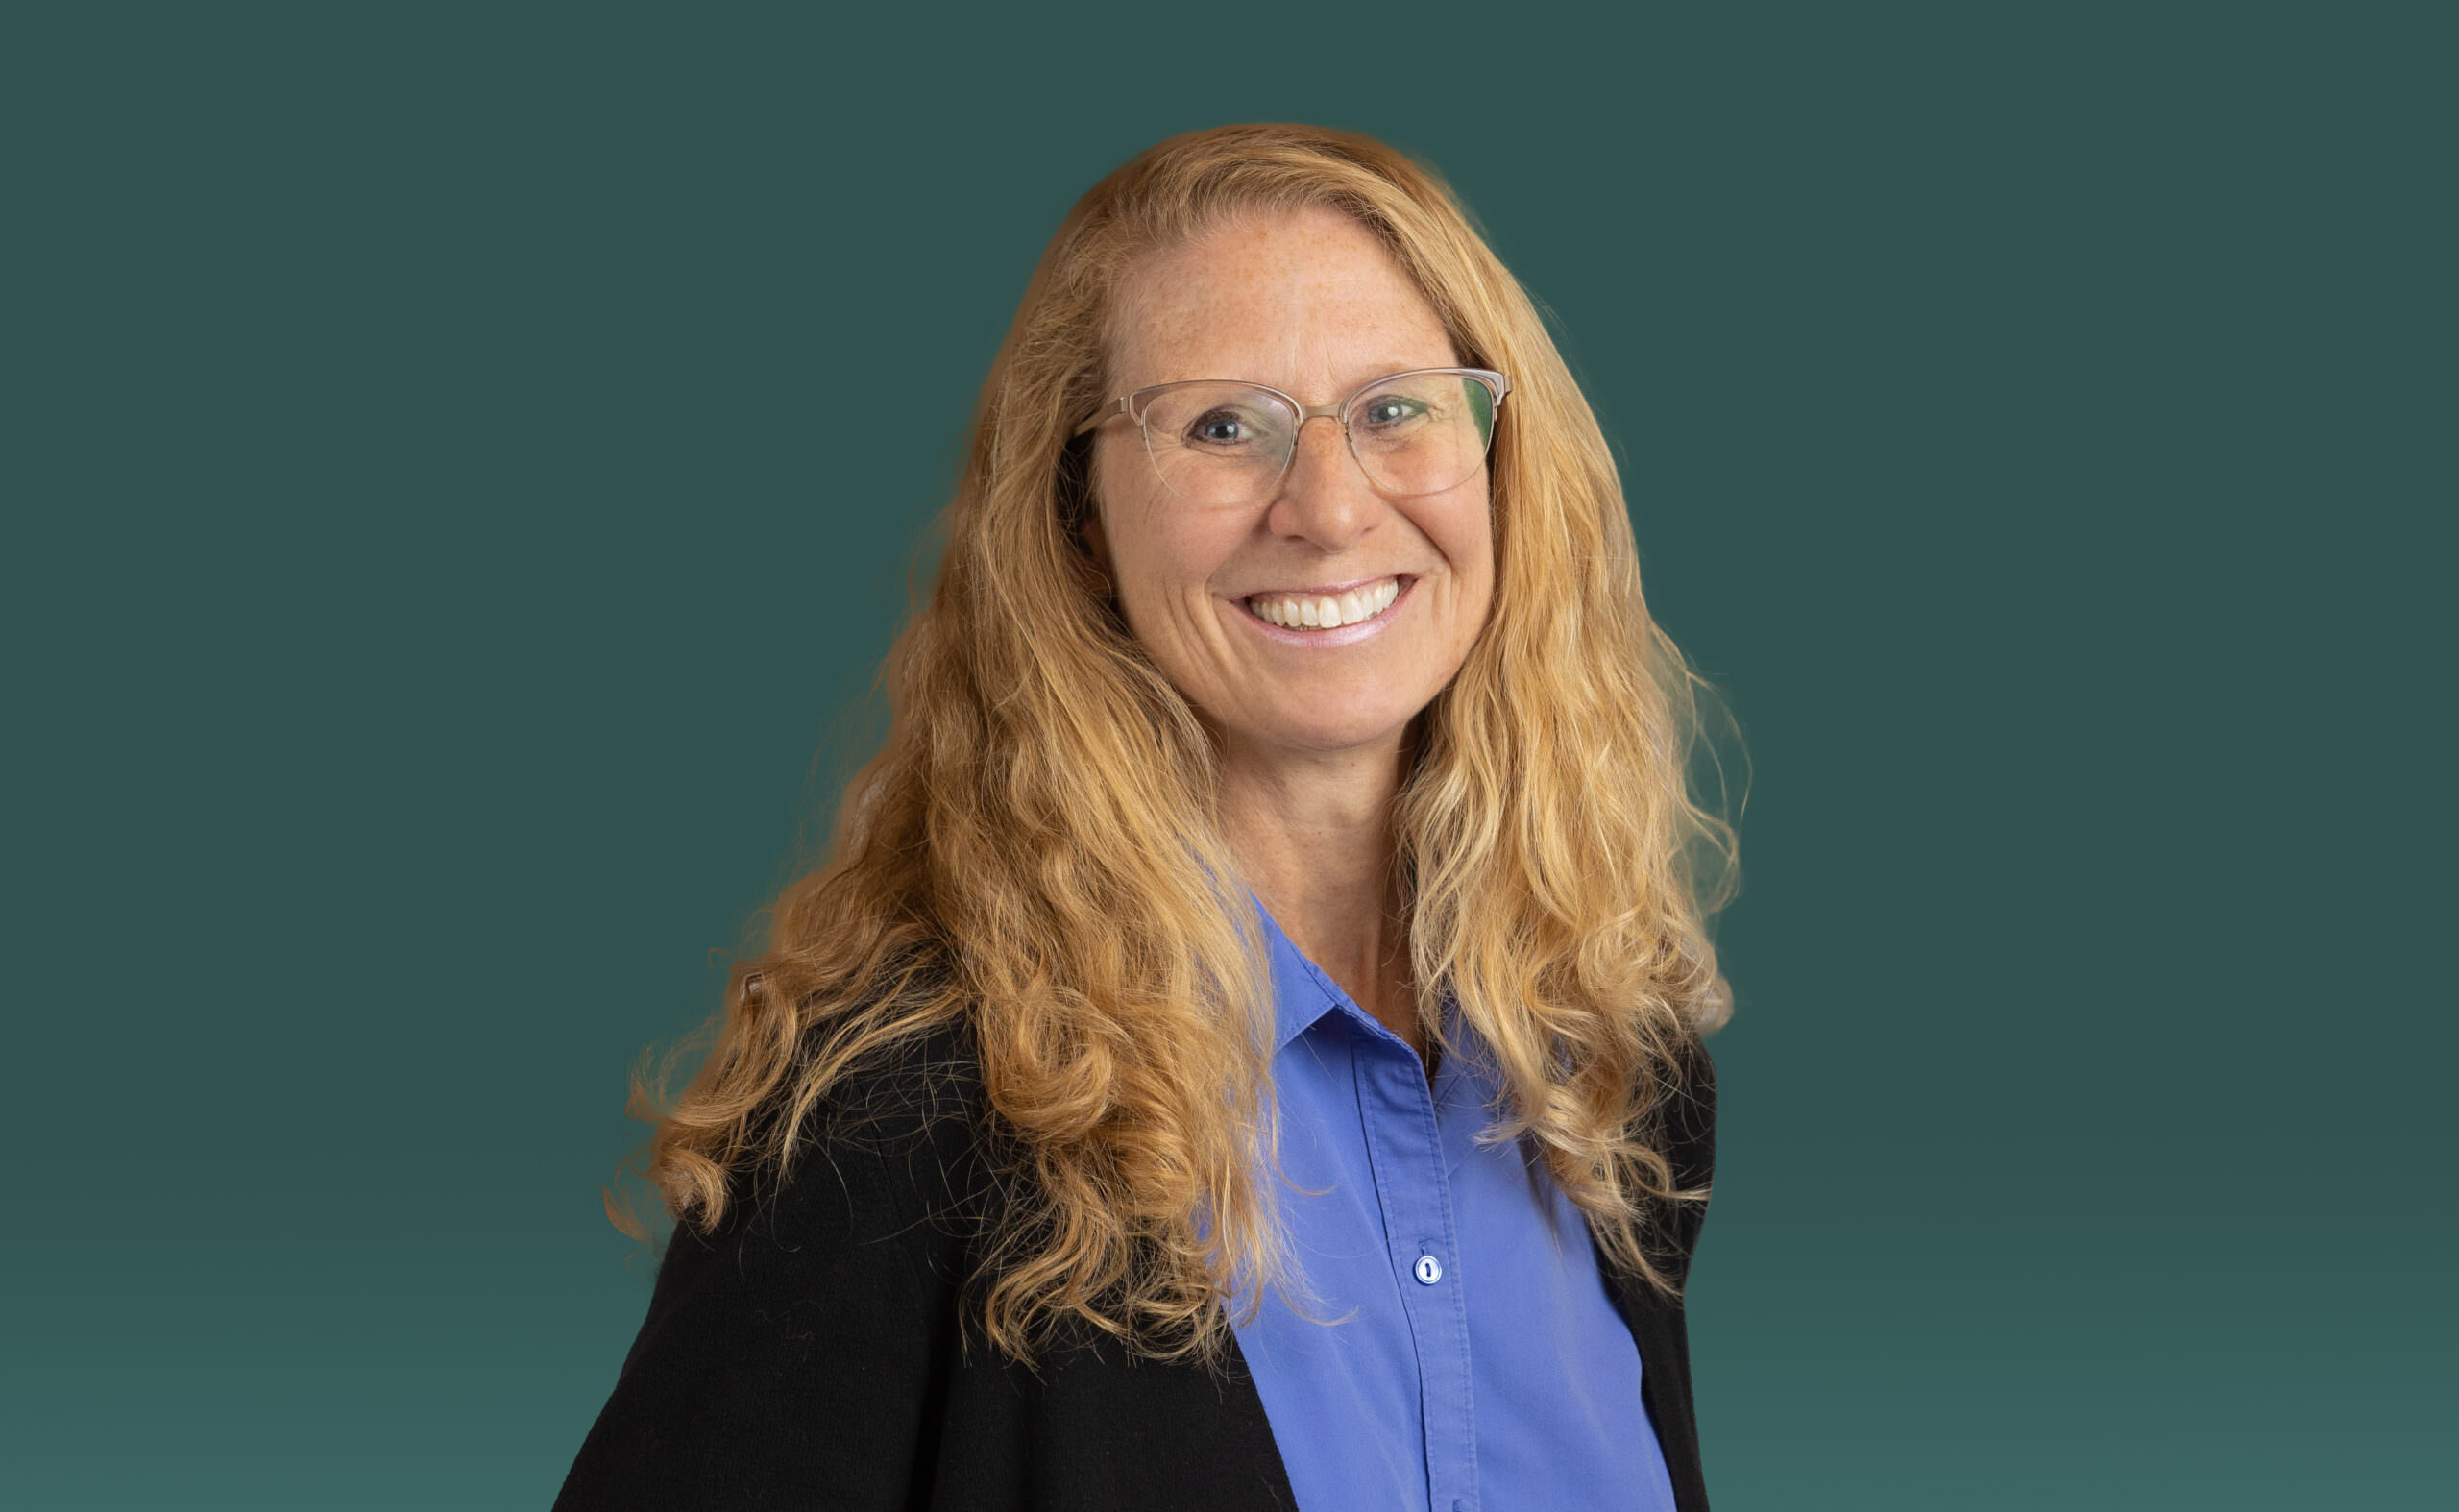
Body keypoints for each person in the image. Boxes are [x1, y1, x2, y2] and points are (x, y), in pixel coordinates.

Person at [555, 122, 1739, 1512]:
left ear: (1503, 460)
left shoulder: (1602, 1069)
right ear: (1078, 519)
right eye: (1223, 425)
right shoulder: (899, 1124)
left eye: (1399, 407)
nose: (1330, 504)